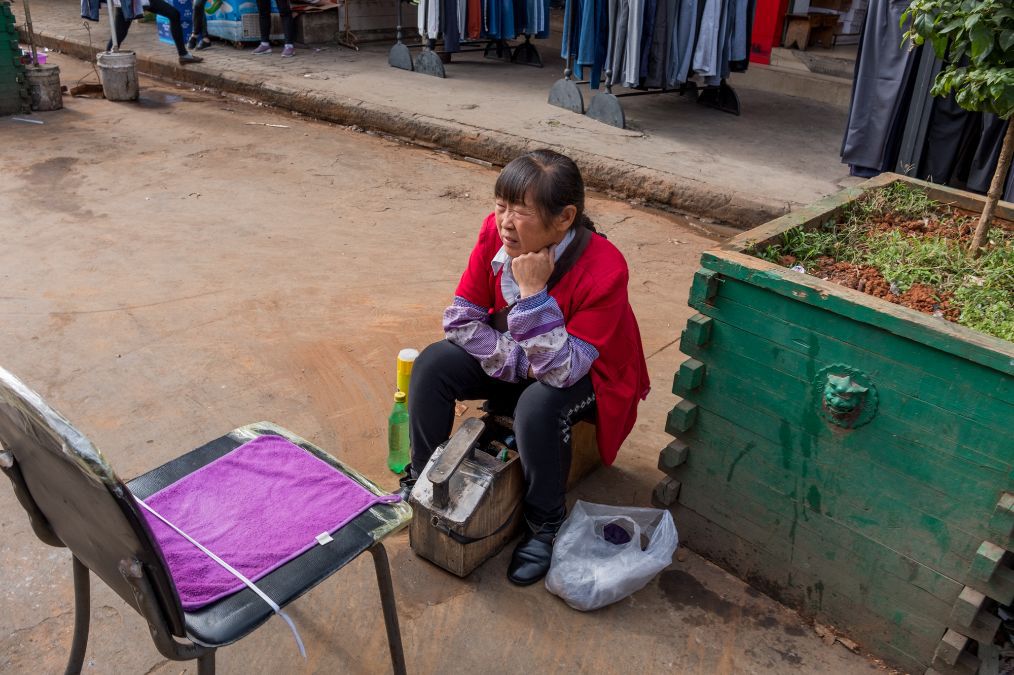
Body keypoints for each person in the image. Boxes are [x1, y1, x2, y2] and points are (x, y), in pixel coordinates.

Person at [405, 149, 651, 586]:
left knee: (537, 406)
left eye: (520, 212)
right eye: (500, 207)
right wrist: (518, 361)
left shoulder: (606, 268)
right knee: (433, 363)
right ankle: (423, 481)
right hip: (521, 353)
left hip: (590, 373)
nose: (504, 222)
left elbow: (562, 372)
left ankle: (544, 524)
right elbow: (461, 321)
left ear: (564, 217)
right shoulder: (495, 236)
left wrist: (534, 292)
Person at [106, 0, 204, 65]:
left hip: (145, 1)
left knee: (174, 14)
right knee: (119, 34)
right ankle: (106, 62)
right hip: (127, 3)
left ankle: (183, 55)